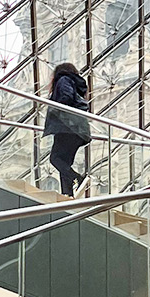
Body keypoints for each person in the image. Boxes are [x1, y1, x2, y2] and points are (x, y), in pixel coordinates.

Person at [43, 62, 90, 196]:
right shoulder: (76, 85)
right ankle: (67, 195)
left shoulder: (63, 79)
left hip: (67, 127)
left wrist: (57, 109)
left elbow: (66, 97)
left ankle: (77, 178)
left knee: (55, 159)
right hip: (78, 129)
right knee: (64, 164)